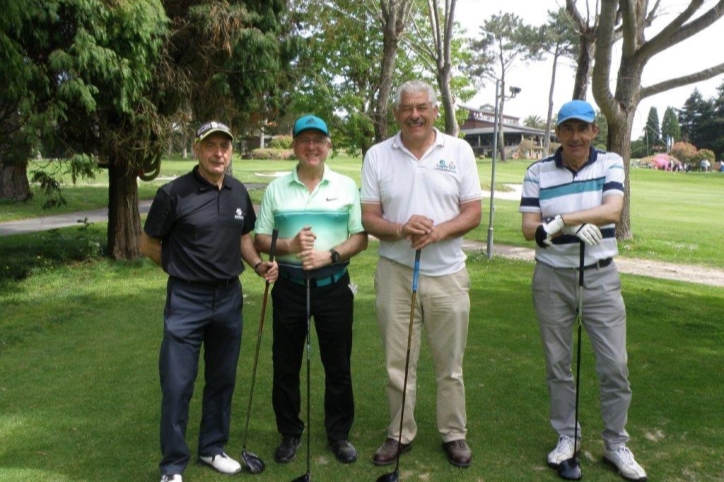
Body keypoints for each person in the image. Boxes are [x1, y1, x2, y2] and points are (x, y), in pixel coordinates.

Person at [139, 120, 278, 482]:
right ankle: (172, 466)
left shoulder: (237, 192)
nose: (219, 153)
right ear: (197, 149)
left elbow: (244, 237)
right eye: (211, 146)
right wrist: (180, 268)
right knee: (177, 383)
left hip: (228, 297)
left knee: (221, 379)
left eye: (225, 147)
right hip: (186, 298)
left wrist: (259, 264)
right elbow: (148, 244)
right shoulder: (173, 193)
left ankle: (212, 448)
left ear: (231, 152)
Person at [519, 100, 647, 482]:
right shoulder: (537, 171)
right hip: (552, 278)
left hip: (600, 276)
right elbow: (530, 228)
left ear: (594, 132)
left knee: (615, 365)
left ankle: (615, 443)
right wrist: (558, 230)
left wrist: (561, 221)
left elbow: (611, 211)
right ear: (558, 133)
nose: (576, 137)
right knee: (558, 364)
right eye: (568, 129)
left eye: (583, 128)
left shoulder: (609, 163)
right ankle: (567, 436)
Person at [360, 80, 482, 468]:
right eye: (407, 108)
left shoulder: (459, 150)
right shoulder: (378, 155)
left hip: (447, 273)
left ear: (433, 111)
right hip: (396, 272)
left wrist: (439, 231)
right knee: (398, 362)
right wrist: (400, 229)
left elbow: (473, 211)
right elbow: (368, 217)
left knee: (450, 364)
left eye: (422, 107)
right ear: (397, 113)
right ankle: (399, 432)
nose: (415, 114)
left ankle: (453, 432)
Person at [254, 115, 368, 465]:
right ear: (294, 146)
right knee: (285, 365)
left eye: (319, 140)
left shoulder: (347, 186)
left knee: (337, 364)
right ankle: (290, 433)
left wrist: (329, 255)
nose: (312, 146)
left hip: (333, 287)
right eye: (305, 140)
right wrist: (288, 245)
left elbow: (360, 238)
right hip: (289, 288)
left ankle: (338, 433)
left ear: (328, 145)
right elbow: (259, 238)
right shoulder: (276, 189)